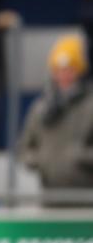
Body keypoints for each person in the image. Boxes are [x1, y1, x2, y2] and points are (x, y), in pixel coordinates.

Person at [19, 35, 93, 187]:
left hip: (85, 194)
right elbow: (24, 150)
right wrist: (42, 159)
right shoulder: (40, 108)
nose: (64, 75)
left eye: (70, 69)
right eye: (59, 70)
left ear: (80, 71)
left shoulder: (90, 106)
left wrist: (80, 155)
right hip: (49, 193)